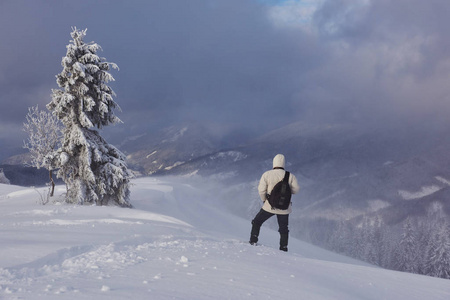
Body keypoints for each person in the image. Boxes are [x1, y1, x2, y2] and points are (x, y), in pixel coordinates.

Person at [249, 154, 300, 252]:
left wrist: (264, 200)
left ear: (274, 163)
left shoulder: (267, 174)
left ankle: (253, 240)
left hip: (269, 206)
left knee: (257, 222)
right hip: (285, 208)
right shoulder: (290, 176)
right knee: (283, 229)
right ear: (283, 164)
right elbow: (296, 190)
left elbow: (261, 190)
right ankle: (283, 248)